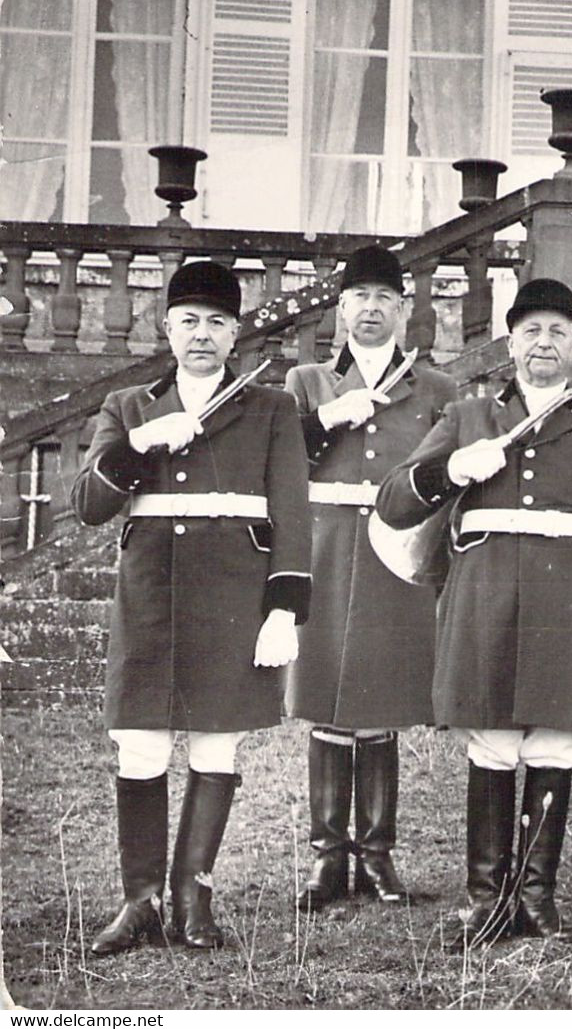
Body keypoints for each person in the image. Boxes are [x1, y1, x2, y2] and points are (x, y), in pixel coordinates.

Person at [376, 278, 572, 946]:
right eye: (530, 331)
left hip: (568, 600)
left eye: (557, 331)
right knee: (492, 740)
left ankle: (536, 896)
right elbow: (393, 504)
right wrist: (450, 470)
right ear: (510, 344)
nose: (543, 343)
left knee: (556, 740)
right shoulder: (469, 417)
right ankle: (485, 897)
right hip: (484, 595)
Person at [72, 261, 311, 955]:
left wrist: (283, 608)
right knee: (141, 744)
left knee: (215, 742)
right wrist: (139, 447)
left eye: (215, 322)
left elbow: (293, 514)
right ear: (165, 328)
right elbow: (89, 507)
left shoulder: (268, 408)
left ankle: (191, 900)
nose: (201, 334)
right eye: (188, 321)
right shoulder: (128, 405)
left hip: (233, 599)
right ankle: (140, 903)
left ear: (234, 333)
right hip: (150, 599)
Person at [283, 244, 457, 911]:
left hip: (393, 553)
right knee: (326, 696)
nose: (371, 310)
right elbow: (276, 459)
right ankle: (329, 857)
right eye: (359, 297)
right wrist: (327, 419)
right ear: (339, 307)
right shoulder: (307, 382)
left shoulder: (436, 389)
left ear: (406, 310)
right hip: (326, 549)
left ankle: (378, 856)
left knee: (381, 701)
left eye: (385, 298)